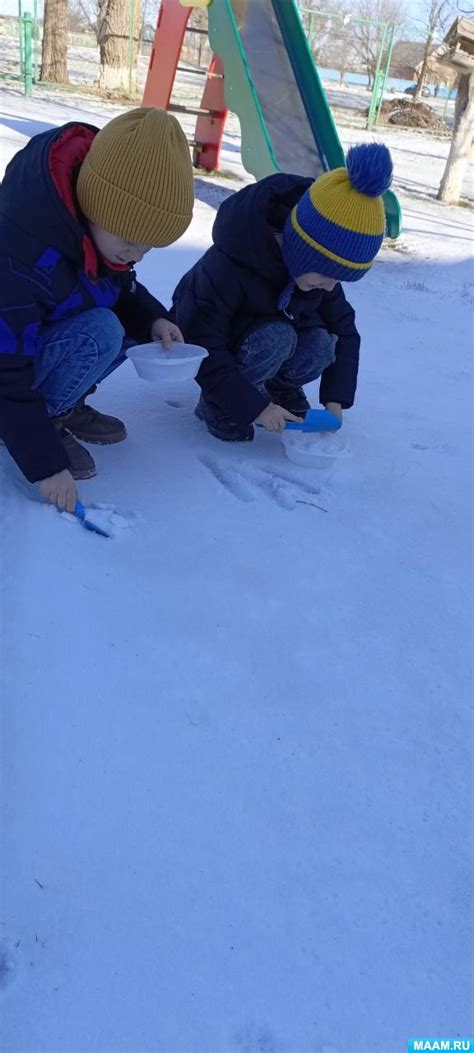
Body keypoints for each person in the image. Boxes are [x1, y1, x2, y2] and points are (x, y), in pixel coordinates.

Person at [0, 107, 194, 511]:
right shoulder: (20, 254)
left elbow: (119, 287)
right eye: (130, 239)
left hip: (35, 350)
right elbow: (5, 370)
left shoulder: (98, 236)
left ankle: (63, 404)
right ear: (95, 204)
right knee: (102, 330)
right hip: (7, 372)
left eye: (148, 246)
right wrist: (44, 464)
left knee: (128, 329)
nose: (137, 255)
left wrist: (154, 318)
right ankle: (43, 423)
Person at [172, 142, 393, 441]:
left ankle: (279, 388)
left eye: (339, 280)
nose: (329, 287)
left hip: (264, 339)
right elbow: (203, 340)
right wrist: (253, 408)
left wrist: (335, 400)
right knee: (277, 337)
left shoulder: (320, 277)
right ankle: (219, 404)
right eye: (326, 275)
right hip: (219, 347)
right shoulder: (231, 263)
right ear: (303, 251)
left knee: (321, 343)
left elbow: (345, 333)